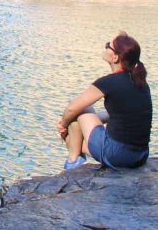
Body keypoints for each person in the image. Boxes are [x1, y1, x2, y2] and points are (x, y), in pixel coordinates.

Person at [56, 32, 152, 170]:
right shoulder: (140, 82)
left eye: (108, 45)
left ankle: (73, 162)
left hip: (117, 155)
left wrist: (62, 125)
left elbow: (72, 108)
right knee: (76, 126)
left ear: (115, 57)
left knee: (80, 109)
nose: (105, 46)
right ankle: (74, 158)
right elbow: (124, 114)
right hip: (139, 156)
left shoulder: (109, 82)